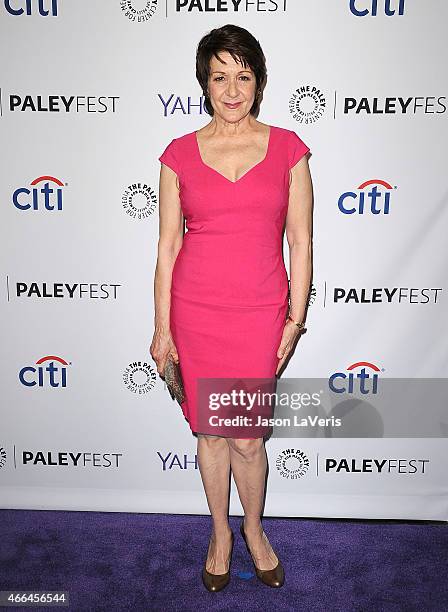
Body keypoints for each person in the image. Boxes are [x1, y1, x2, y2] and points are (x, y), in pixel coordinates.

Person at [150, 23, 313, 591]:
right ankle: (220, 532)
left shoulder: (290, 150)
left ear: (259, 82)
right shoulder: (177, 155)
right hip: (196, 311)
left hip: (261, 311)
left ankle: (253, 529)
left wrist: (295, 320)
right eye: (220, 76)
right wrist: (161, 327)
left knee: (247, 436)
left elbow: (301, 242)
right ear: (205, 82)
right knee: (212, 435)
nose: (232, 89)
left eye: (243, 76)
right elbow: (168, 247)